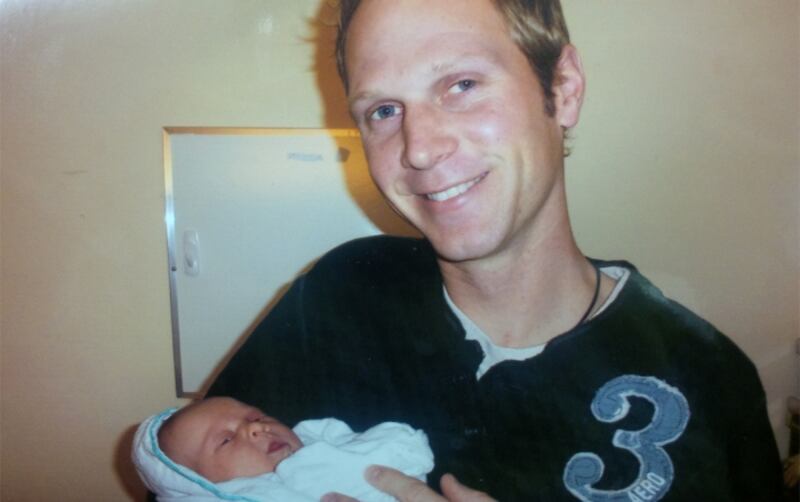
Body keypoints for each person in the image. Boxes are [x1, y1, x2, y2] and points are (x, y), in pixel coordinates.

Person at [208, 0, 784, 500]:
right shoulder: (337, 298)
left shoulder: (707, 381)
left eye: (462, 85)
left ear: (563, 88)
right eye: (383, 110)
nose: (419, 148)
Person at [132, 397, 433, 501]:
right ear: (198, 484)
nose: (256, 429)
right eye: (225, 440)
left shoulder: (325, 443)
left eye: (256, 418)